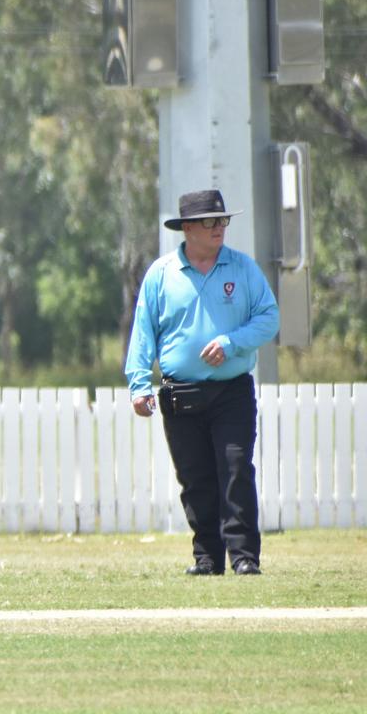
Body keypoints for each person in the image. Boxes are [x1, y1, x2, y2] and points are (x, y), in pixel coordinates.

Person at [125, 189, 279, 576]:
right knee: (195, 479)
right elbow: (143, 333)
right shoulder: (162, 274)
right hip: (181, 394)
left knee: (236, 469)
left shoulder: (243, 269)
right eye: (211, 221)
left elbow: (268, 318)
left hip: (231, 392)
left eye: (223, 220)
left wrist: (232, 343)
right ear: (188, 228)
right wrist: (139, 384)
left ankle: (244, 557)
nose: (220, 228)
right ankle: (207, 558)